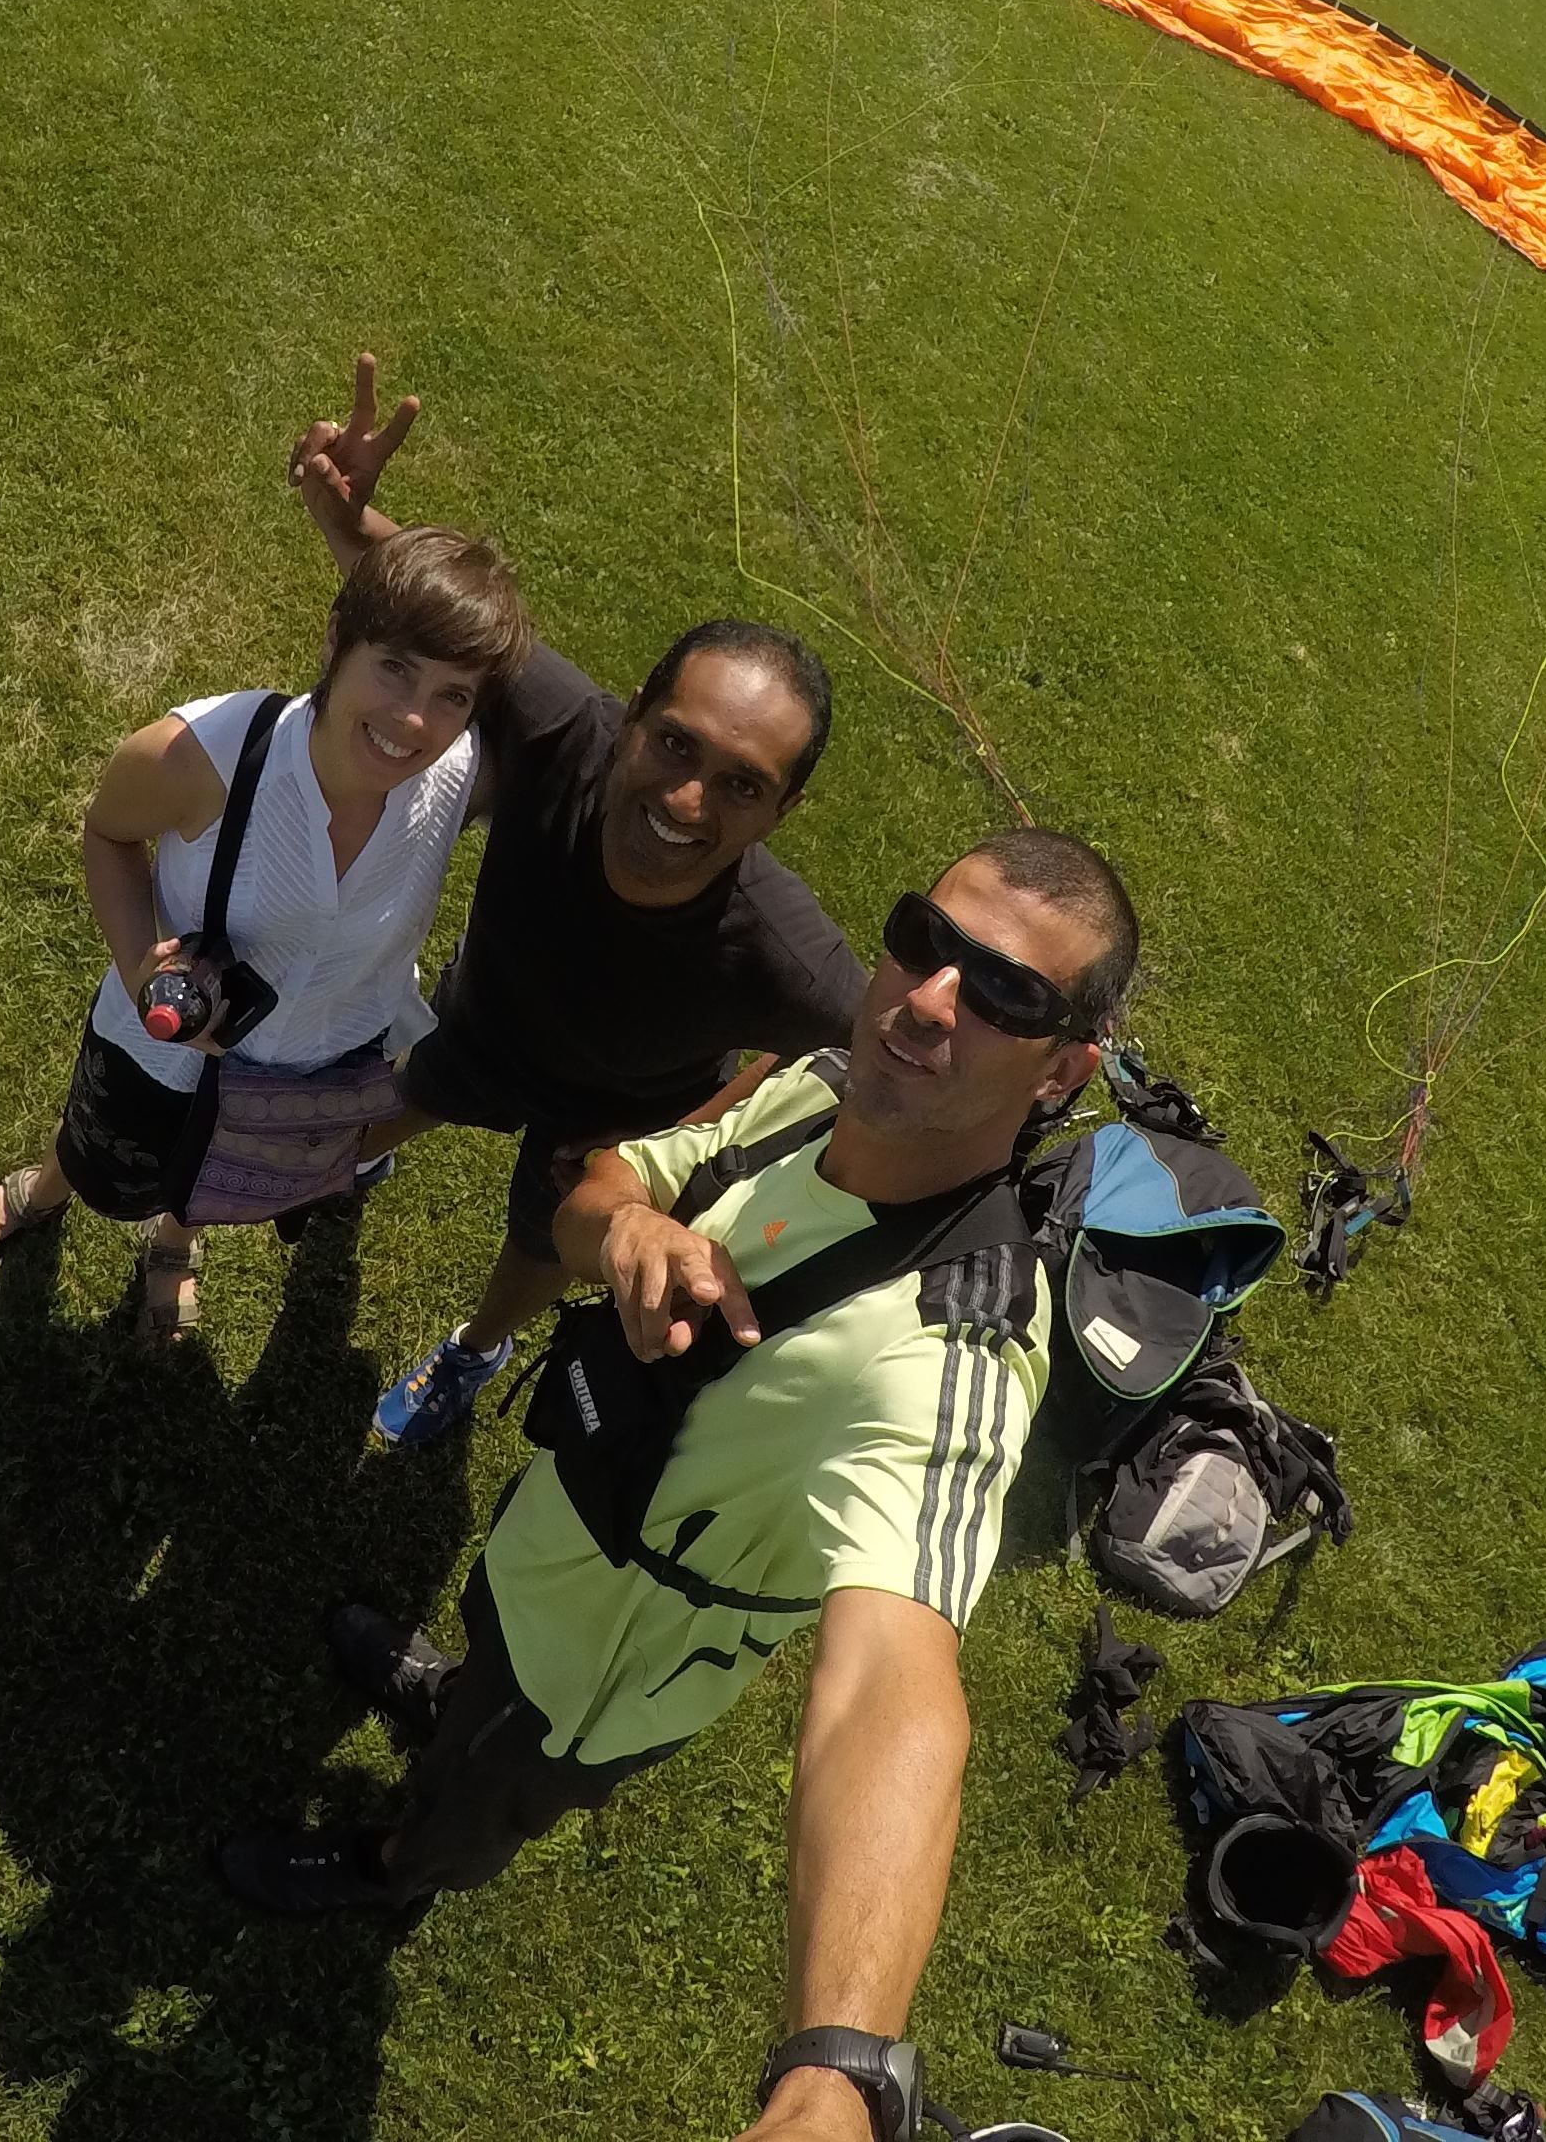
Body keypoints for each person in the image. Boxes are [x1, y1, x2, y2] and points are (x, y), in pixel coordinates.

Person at [217, 828, 1136, 2142]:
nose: (931, 1001)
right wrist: (628, 1231)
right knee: (483, 1659)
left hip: (598, 1680)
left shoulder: (955, 1355)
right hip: (554, 1535)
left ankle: (384, 1867)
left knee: (476, 1803)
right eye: (925, 942)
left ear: (1064, 1070)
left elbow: (892, 1685)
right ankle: (446, 1691)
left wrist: (837, 2067)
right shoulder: (823, 1084)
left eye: (1004, 997)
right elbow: (601, 1185)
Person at [284, 357, 865, 1448]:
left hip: (604, 1120)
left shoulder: (788, 956)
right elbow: (437, 628)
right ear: (631, 713)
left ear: (783, 810)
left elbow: (866, 1054)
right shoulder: (559, 727)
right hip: (481, 1024)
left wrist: (682, 1138)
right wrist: (342, 514)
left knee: (537, 1248)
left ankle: (474, 1348)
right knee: (372, 1116)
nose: (686, 801)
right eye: (674, 744)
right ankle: (359, 1161)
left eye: (741, 785)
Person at [0, 526, 529, 1340]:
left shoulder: (463, 774)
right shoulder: (203, 756)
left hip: (319, 1065)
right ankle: (44, 1190)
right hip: (165, 1050)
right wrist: (145, 971)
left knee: (226, 1174)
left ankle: (178, 1238)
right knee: (104, 1152)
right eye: (393, 667)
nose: (414, 719)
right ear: (335, 640)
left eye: (453, 695)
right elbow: (108, 834)